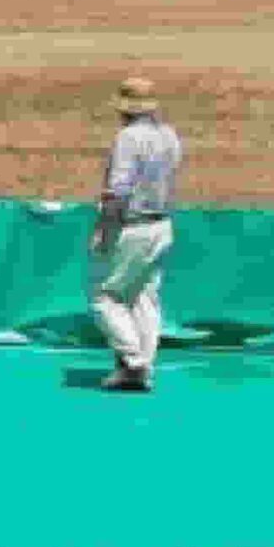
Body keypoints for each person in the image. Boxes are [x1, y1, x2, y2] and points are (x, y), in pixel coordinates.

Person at [90, 77, 184, 392]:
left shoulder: (128, 138)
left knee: (107, 297)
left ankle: (133, 361)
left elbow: (118, 189)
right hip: (162, 223)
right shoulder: (169, 135)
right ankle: (141, 363)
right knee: (145, 296)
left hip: (134, 226)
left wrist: (104, 228)